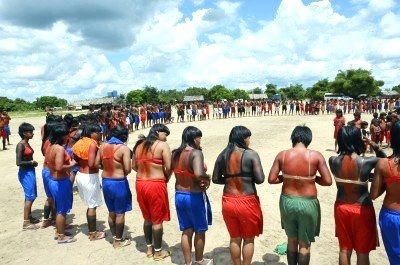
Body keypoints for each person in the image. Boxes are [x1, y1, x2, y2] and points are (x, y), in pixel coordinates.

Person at [268, 125, 332, 265]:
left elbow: (271, 179)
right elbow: (328, 181)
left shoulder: (282, 155)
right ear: (308, 139)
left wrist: (286, 178)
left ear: (293, 137)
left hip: (287, 201)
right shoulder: (316, 155)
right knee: (304, 243)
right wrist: (312, 179)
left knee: (291, 239)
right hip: (308, 202)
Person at [329, 126, 386, 265]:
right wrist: (375, 146)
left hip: (341, 207)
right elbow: (385, 161)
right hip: (361, 208)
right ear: (357, 139)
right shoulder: (366, 162)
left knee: (344, 249)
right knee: (362, 252)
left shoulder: (333, 160)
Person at [212, 126, 265, 265]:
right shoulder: (251, 154)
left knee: (235, 238)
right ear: (242, 138)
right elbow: (260, 179)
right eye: (248, 137)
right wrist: (245, 178)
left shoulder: (222, 155)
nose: (249, 140)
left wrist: (231, 179)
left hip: (228, 201)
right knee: (248, 238)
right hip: (247, 200)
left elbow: (215, 179)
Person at [172, 126, 212, 265]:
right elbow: (199, 173)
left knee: (186, 230)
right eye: (199, 138)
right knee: (200, 230)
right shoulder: (195, 153)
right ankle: (199, 260)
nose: (200, 141)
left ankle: (187, 263)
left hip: (179, 194)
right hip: (193, 195)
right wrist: (208, 178)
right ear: (194, 139)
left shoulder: (175, 153)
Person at [132, 123, 172, 261]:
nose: (166, 138)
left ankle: (149, 248)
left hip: (140, 184)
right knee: (157, 220)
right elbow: (169, 166)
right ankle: (158, 252)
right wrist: (165, 176)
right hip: (155, 185)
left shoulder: (139, 145)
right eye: (165, 134)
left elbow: (134, 166)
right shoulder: (162, 145)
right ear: (158, 132)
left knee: (147, 218)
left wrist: (145, 173)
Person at [95, 125, 132, 248]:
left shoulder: (102, 146)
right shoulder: (124, 149)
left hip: (106, 181)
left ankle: (115, 236)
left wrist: (106, 168)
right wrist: (119, 170)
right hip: (118, 182)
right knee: (120, 213)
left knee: (111, 212)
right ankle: (118, 241)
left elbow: (96, 163)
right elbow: (127, 169)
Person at [371, 121, 400, 264]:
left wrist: (386, 181)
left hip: (391, 216)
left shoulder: (383, 164)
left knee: (395, 258)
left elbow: (373, 195)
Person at [72, 123, 106, 241]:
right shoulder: (92, 144)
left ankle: (92, 231)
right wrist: (104, 166)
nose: (100, 134)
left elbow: (75, 159)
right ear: (91, 133)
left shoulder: (80, 142)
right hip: (89, 176)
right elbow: (92, 163)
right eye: (98, 132)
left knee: (90, 204)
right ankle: (93, 233)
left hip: (81, 175)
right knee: (92, 205)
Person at [45, 122, 77, 243]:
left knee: (59, 207)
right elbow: (59, 167)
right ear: (63, 136)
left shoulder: (50, 146)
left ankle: (59, 231)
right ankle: (61, 236)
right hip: (60, 181)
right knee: (62, 210)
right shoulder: (59, 149)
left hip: (54, 180)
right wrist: (72, 164)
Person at [16, 122, 40, 230]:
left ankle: (29, 217)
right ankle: (26, 222)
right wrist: (31, 162)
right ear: (24, 133)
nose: (32, 134)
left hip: (30, 171)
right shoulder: (20, 145)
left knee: (30, 195)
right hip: (25, 172)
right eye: (30, 132)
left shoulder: (26, 143)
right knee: (30, 196)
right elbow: (18, 162)